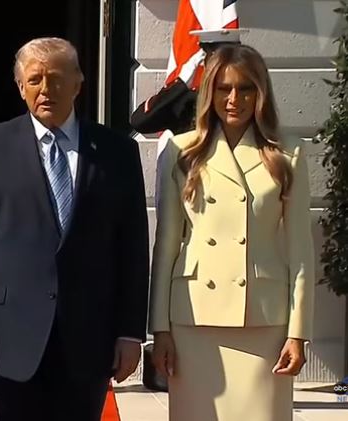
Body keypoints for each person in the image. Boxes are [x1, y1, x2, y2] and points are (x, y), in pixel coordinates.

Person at [0, 37, 150, 421]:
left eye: (56, 79)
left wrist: (130, 332)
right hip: (8, 338)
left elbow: (132, 247)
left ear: (78, 83)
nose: (46, 89)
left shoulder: (116, 151)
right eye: (35, 79)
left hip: (88, 337)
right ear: (20, 87)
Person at [148, 44, 315, 421]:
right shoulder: (181, 150)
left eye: (245, 88)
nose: (234, 99)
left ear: (261, 93)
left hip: (263, 320)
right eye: (224, 89)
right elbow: (166, 246)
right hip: (193, 318)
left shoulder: (288, 152)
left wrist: (298, 332)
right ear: (210, 93)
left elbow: (301, 252)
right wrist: (159, 329)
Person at [130, 28, 247, 137]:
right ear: (204, 61)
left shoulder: (250, 96)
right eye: (217, 60)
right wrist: (179, 84)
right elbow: (140, 122)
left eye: (231, 60)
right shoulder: (188, 102)